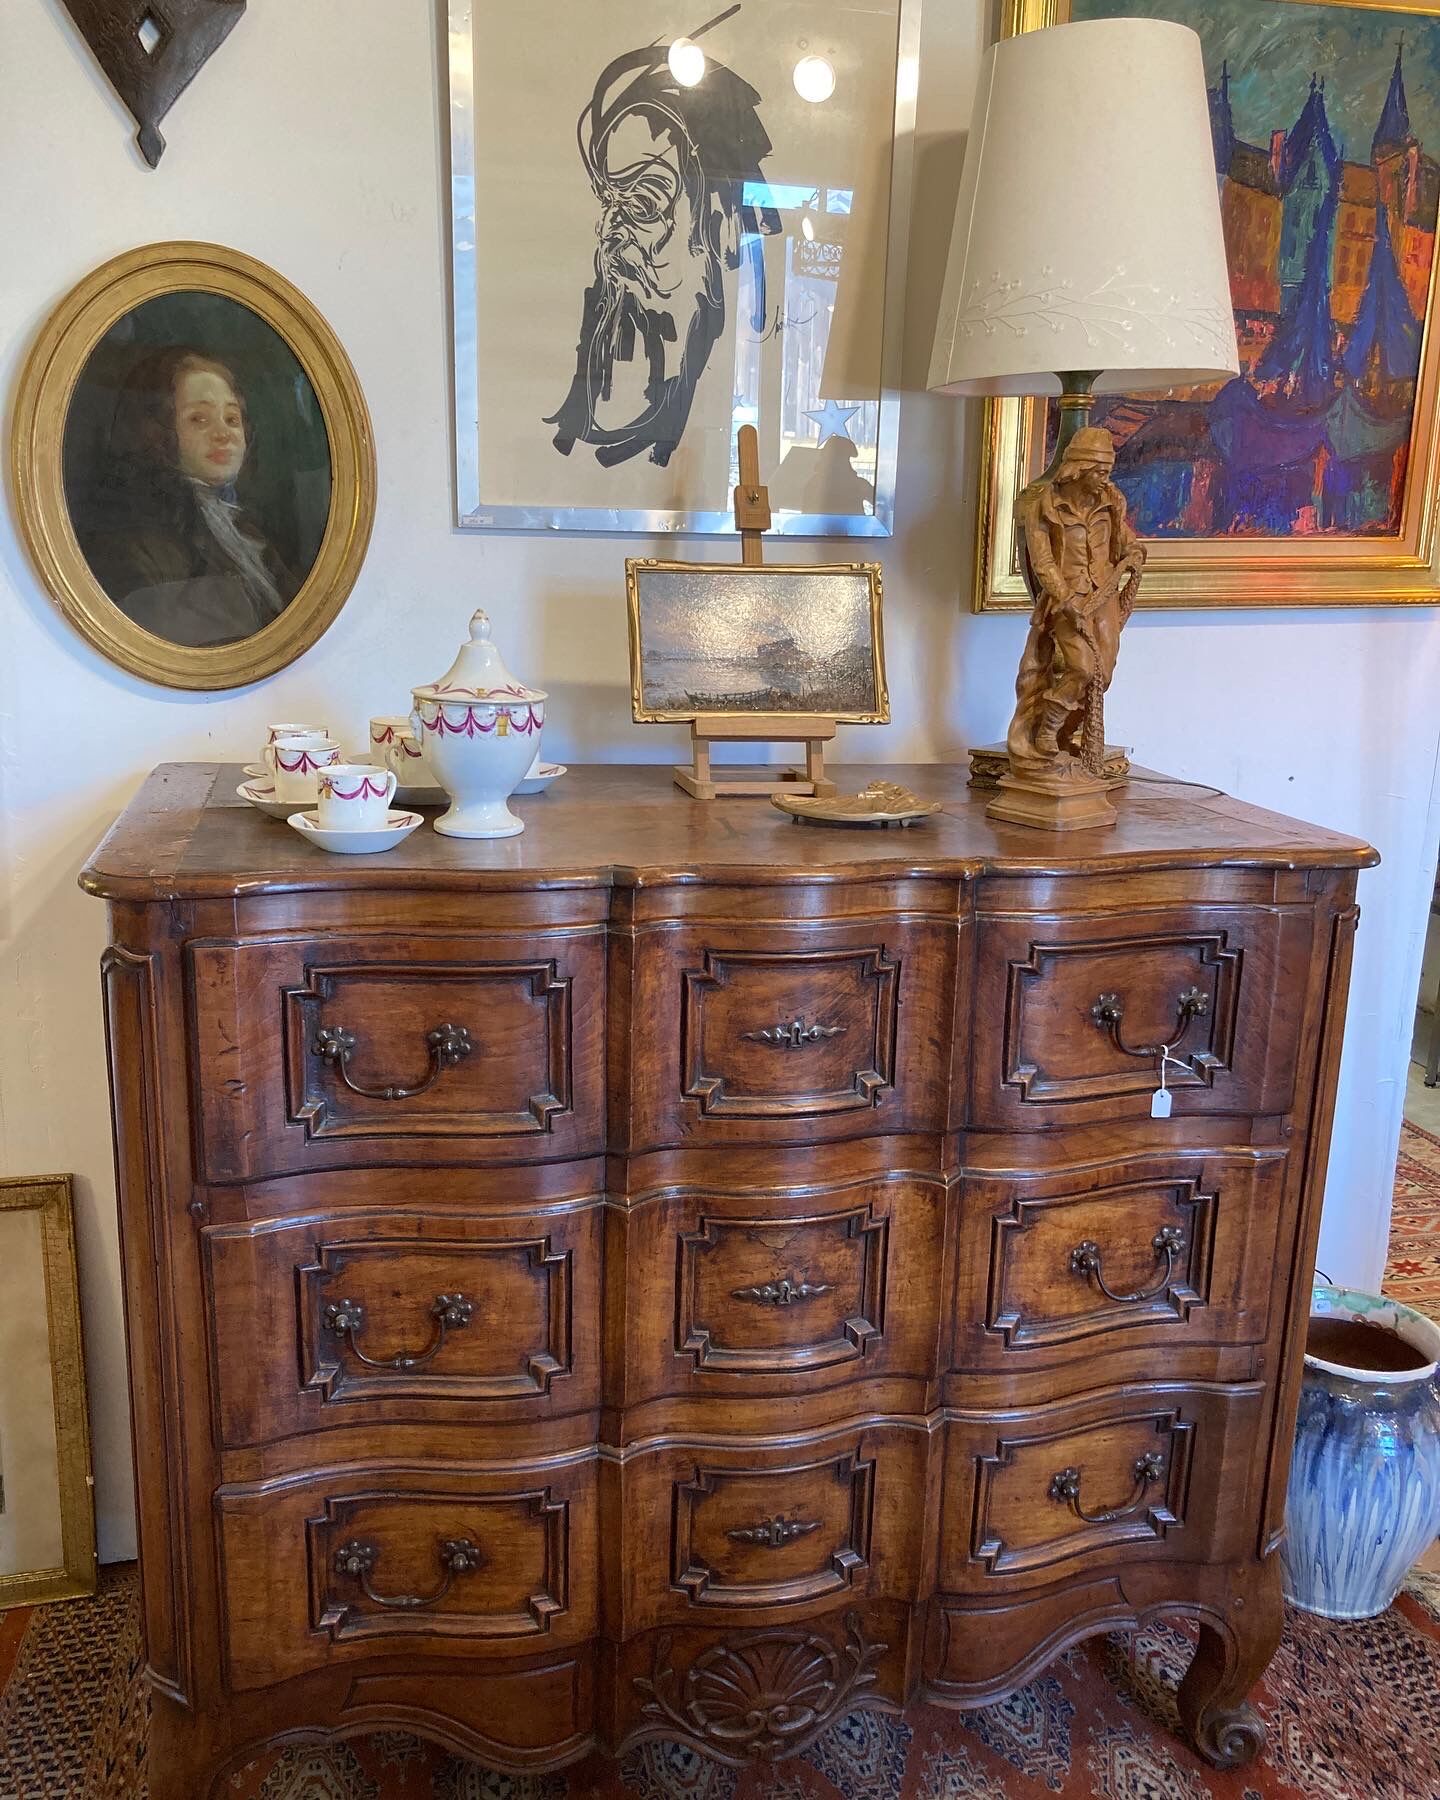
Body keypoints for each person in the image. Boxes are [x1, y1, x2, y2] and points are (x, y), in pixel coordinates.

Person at [77, 347, 298, 647]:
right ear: (158, 431)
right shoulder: (137, 539)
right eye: (199, 419)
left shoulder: (246, 531)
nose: (224, 433)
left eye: (232, 418)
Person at [1006, 426, 1147, 777]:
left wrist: (1133, 553)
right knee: (1082, 667)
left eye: (1107, 472)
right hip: (1069, 602)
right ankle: (1047, 732)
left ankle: (1068, 733)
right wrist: (1064, 597)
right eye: (1099, 472)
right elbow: (1042, 561)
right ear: (1079, 469)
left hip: (1104, 597)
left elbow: (1126, 539)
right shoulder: (1045, 506)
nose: (1105, 479)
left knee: (1104, 673)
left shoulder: (1111, 501)